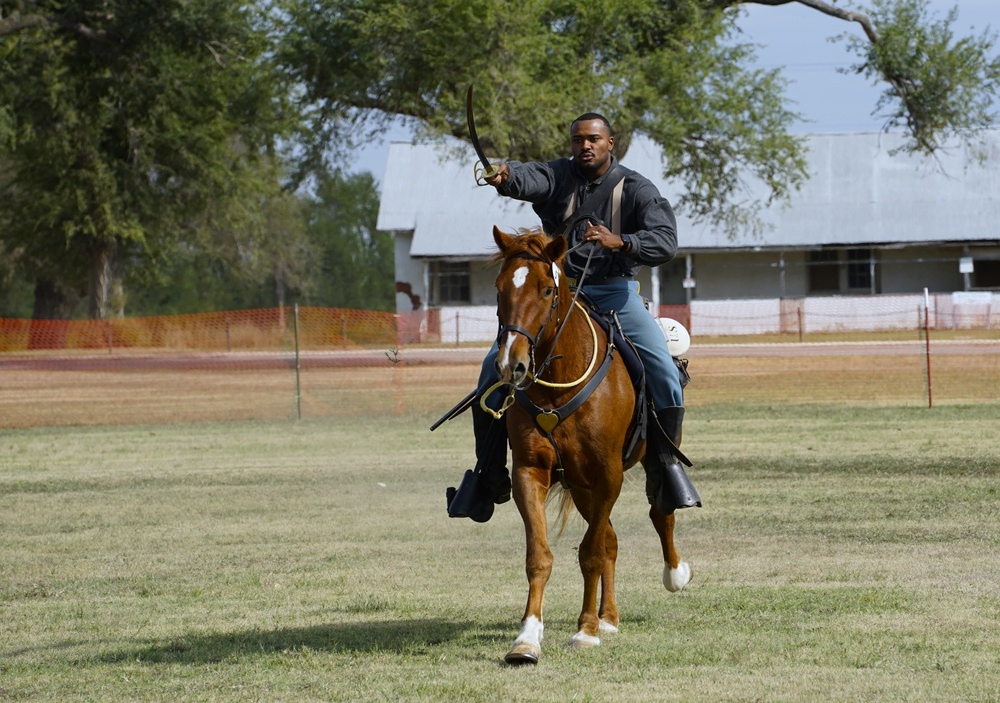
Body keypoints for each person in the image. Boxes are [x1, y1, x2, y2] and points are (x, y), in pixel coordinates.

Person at [458, 112, 700, 519]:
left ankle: (665, 468)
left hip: (616, 293)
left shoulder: (637, 189)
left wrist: (620, 241)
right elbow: (529, 177)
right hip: (556, 294)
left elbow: (665, 242)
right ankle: (488, 474)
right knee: (491, 372)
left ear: (610, 143)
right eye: (577, 140)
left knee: (662, 369)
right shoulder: (558, 176)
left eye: (592, 139)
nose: (584, 146)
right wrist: (504, 174)